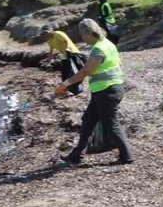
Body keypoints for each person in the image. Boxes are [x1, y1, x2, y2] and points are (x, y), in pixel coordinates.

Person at [55, 19, 133, 166]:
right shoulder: (108, 44)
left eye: (83, 35)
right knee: (88, 120)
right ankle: (76, 156)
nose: (82, 39)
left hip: (107, 91)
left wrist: (64, 84)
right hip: (106, 90)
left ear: (90, 33)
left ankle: (127, 156)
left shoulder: (98, 49)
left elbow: (86, 71)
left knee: (111, 125)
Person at [45, 30, 86, 96]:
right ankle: (69, 88)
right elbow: (51, 51)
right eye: (43, 34)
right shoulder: (50, 41)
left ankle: (78, 86)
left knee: (76, 70)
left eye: (46, 32)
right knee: (66, 73)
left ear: (50, 30)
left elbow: (66, 41)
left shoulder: (58, 33)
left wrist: (67, 52)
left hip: (72, 52)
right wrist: (49, 61)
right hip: (64, 55)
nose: (45, 35)